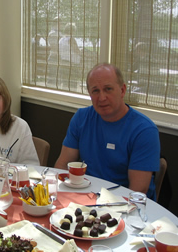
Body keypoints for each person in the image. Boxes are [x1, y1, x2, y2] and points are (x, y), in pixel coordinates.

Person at [54, 63, 160, 200]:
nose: (102, 98)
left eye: (108, 89)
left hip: (125, 206)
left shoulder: (144, 130)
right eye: (95, 91)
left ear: (122, 90)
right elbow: (63, 166)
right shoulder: (81, 118)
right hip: (85, 198)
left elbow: (137, 190)